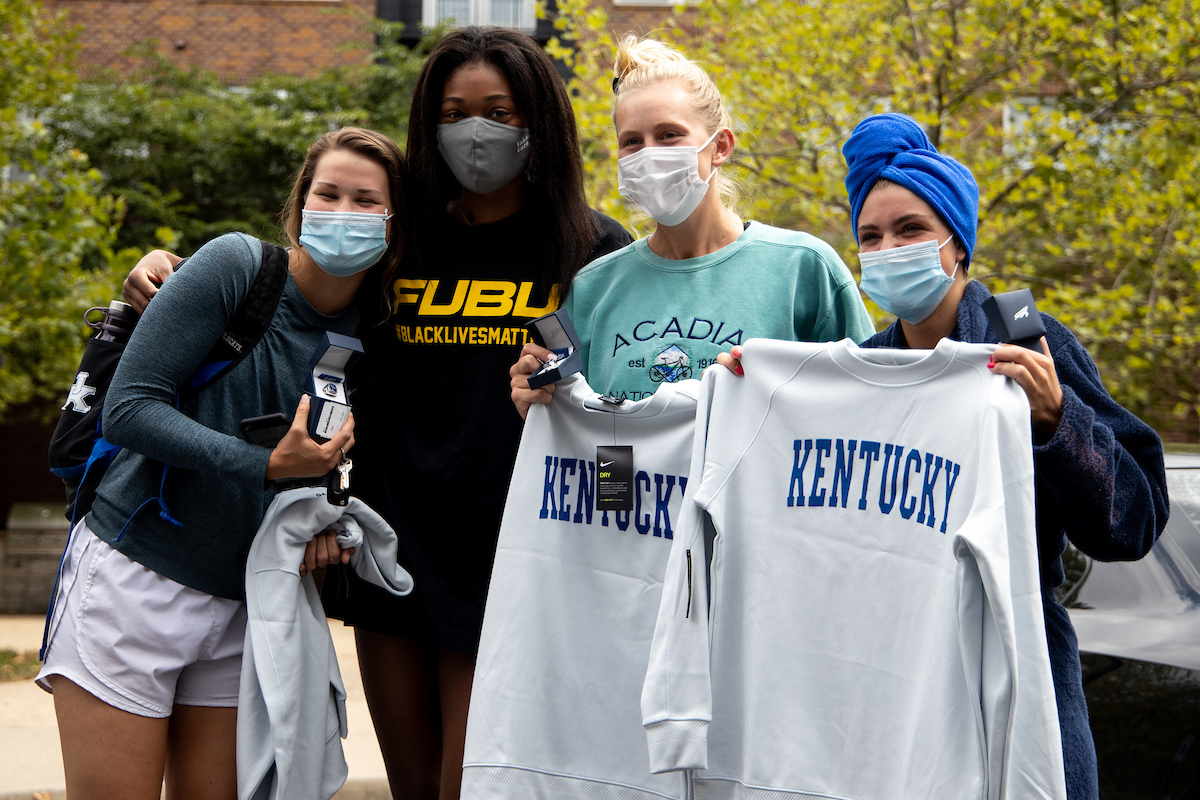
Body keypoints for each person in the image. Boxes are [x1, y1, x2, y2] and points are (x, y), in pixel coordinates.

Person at [122, 27, 631, 800]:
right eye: (455, 111)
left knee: (473, 786)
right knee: (413, 787)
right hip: (389, 551)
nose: (476, 129)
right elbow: (297, 309)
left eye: (499, 110)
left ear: (540, 122)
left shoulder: (590, 246)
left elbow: (621, 412)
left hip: (511, 562)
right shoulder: (398, 241)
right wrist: (172, 269)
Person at [37, 126, 406, 800]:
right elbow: (130, 409)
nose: (343, 213)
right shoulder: (239, 266)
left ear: (393, 225)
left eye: (366, 201)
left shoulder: (378, 332)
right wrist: (263, 465)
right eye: (328, 194)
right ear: (297, 207)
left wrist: (324, 523)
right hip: (134, 577)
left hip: (246, 602)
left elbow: (330, 459)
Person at [835, 112, 1168, 800]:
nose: (888, 248)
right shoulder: (859, 373)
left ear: (957, 244)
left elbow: (1132, 524)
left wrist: (1057, 420)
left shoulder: (1028, 346)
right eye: (871, 236)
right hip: (898, 679)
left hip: (1024, 667)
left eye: (911, 230)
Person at [510, 35, 874, 416]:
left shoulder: (803, 269)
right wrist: (537, 403)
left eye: (669, 135)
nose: (649, 154)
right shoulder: (592, 289)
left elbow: (868, 405)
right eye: (632, 142)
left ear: (720, 146)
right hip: (621, 478)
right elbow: (591, 442)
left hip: (754, 478)